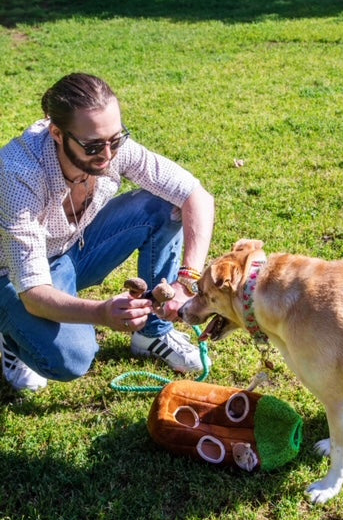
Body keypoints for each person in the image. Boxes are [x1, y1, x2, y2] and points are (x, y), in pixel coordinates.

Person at [0, 73, 214, 391]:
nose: (109, 155)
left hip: (71, 248)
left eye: (116, 139)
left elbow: (195, 196)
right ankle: (11, 338)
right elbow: (33, 294)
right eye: (94, 146)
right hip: (12, 275)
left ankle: (152, 333)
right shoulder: (18, 173)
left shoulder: (109, 145)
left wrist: (187, 280)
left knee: (164, 206)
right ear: (57, 133)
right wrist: (101, 313)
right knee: (71, 358)